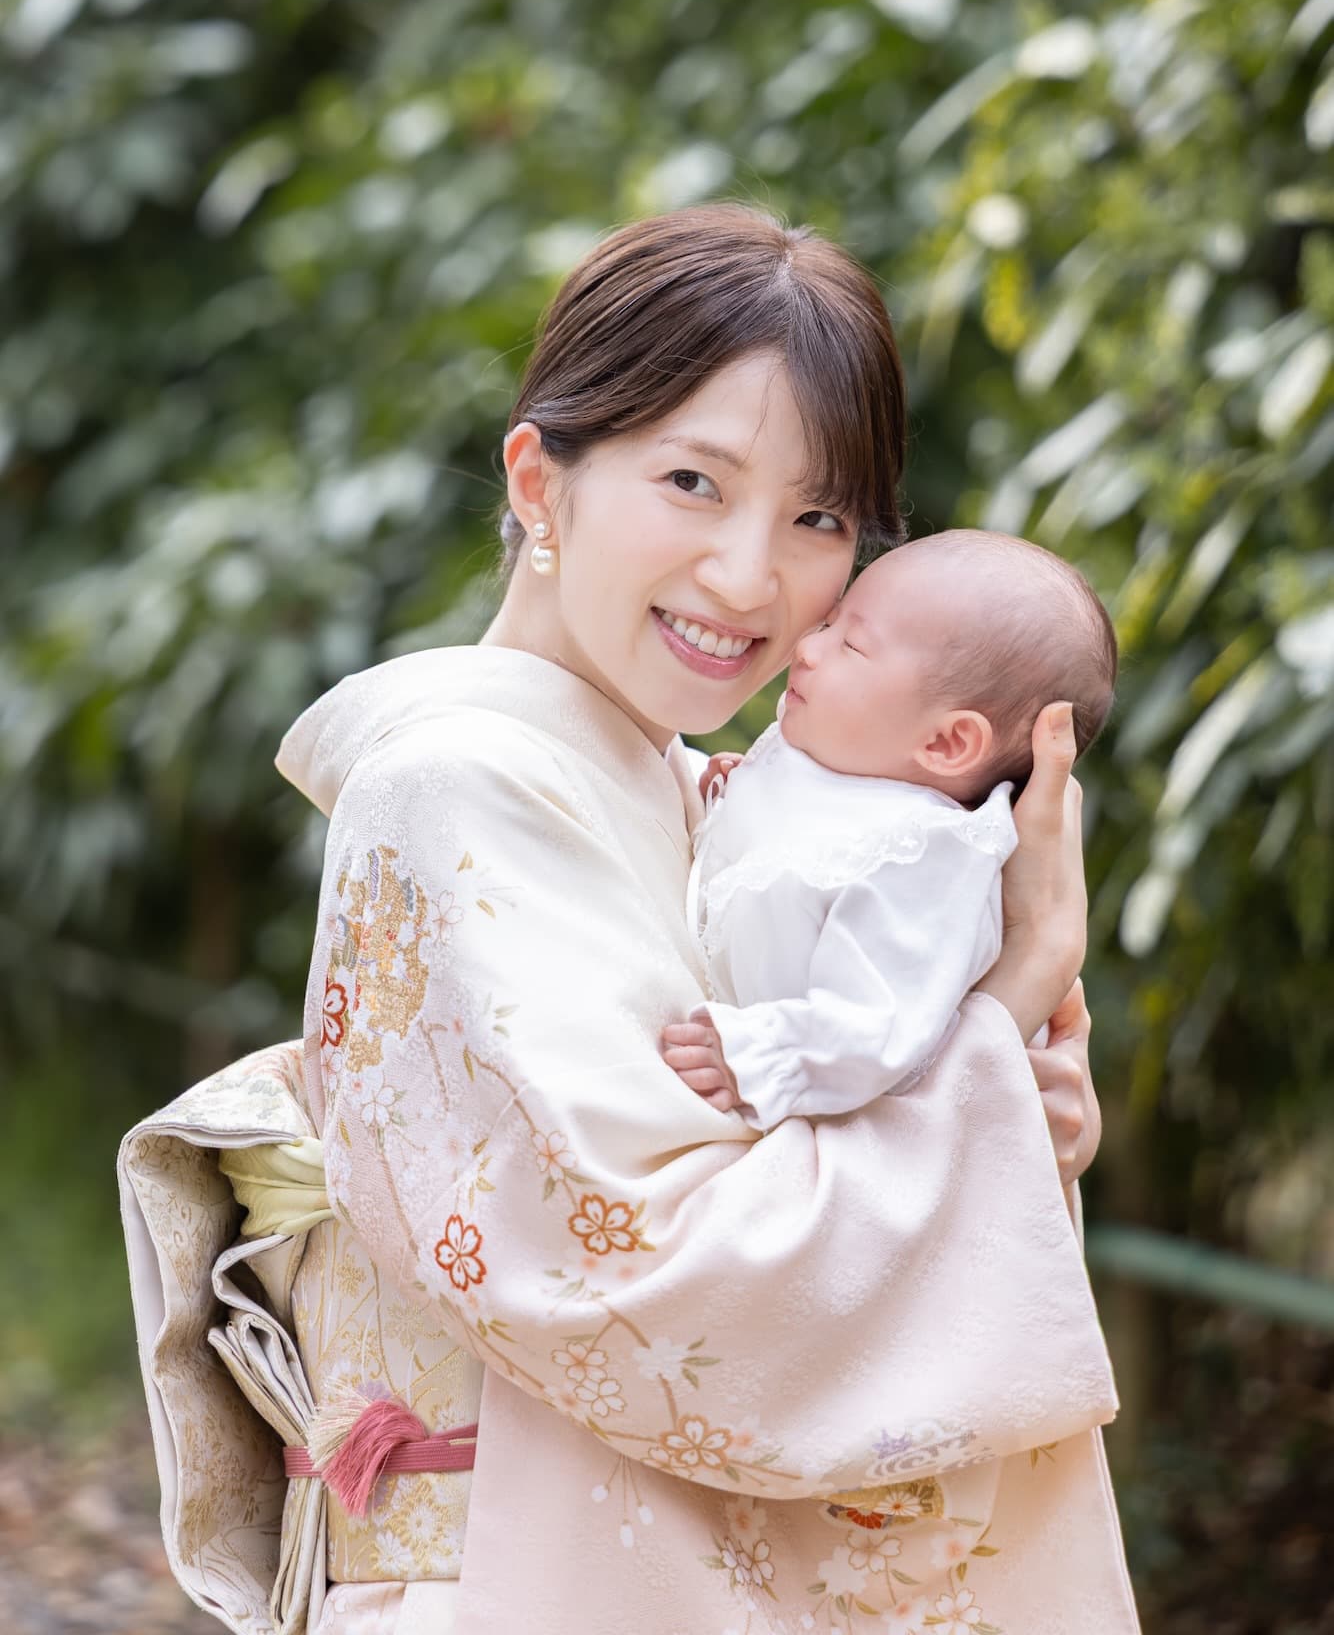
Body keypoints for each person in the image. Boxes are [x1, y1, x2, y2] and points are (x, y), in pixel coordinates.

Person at [119, 202, 1139, 1635]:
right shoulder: (457, 788)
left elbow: (948, 1145)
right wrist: (1016, 988)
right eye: (690, 482)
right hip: (499, 1583)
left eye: (817, 517)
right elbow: (653, 1278)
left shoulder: (713, 798)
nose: (749, 579)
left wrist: (1000, 1083)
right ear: (543, 480)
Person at [663, 529, 1118, 1128]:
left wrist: (759, 1055)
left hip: (848, 1125)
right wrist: (730, 794)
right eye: (829, 624)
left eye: (850, 644)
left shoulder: (923, 860)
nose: (807, 647)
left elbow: (874, 1023)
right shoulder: (838, 752)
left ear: (947, 742)